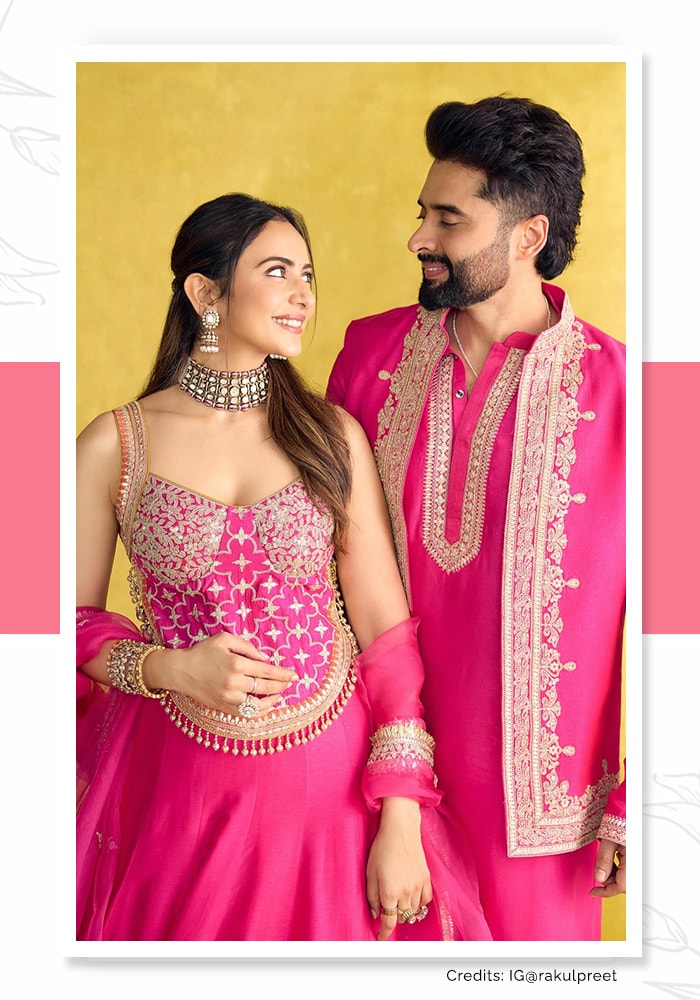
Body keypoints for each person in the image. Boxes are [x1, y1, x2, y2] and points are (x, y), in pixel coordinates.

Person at [76, 192, 492, 943]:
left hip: (329, 795)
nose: (304, 295)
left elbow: (387, 640)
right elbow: (52, 627)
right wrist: (169, 668)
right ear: (205, 292)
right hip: (179, 786)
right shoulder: (116, 443)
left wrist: (400, 815)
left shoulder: (331, 436)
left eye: (307, 273)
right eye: (277, 272)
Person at [327, 96, 626, 941]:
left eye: (446, 219)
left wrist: (651, 795)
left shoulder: (649, 397)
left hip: (540, 820)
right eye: (422, 213)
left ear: (527, 235)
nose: (419, 238)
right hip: (372, 778)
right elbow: (317, 553)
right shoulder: (369, 352)